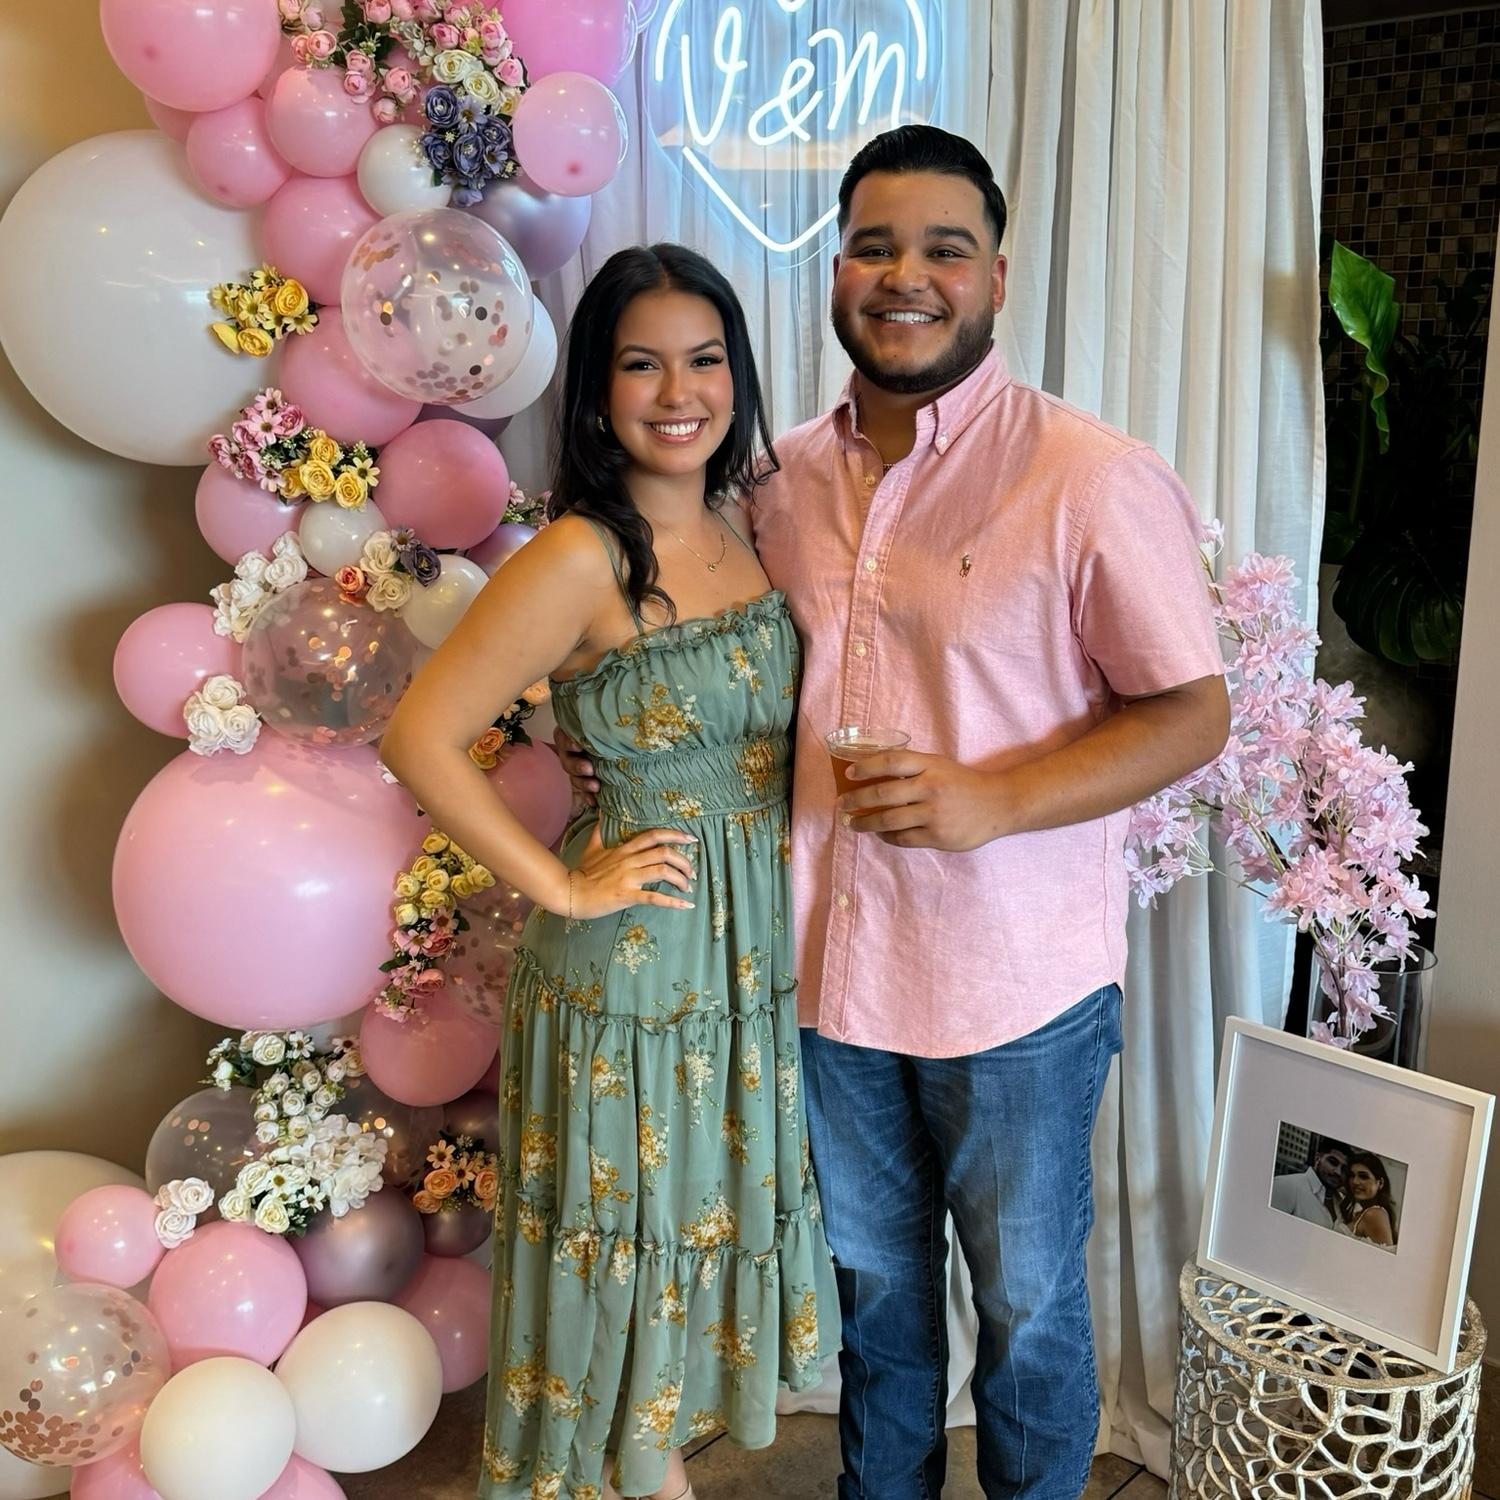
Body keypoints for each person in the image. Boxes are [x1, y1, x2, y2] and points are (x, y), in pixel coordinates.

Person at [565, 126, 1229, 1499]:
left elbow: (1189, 712)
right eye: (874, 246)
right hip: (829, 975)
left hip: (1017, 989)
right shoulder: (776, 484)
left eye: (944, 249)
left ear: (997, 277)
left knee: (1029, 1309)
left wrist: (998, 796)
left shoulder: (1085, 476)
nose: (905, 275)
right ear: (837, 271)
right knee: (874, 1306)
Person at [381, 243, 838, 1500]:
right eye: (643, 365)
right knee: (625, 1265)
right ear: (596, 390)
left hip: (740, 967)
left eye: (704, 360)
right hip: (632, 976)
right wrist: (564, 887)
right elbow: (421, 736)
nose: (678, 392)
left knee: (682, 1269)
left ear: (737, 375)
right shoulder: (581, 556)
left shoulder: (750, 526)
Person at [1271, 1137, 1350, 1227]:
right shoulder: (1286, 1185)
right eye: (1333, 1162)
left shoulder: (1343, 1203)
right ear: (1317, 1158)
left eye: (1344, 1169)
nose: (1338, 1172)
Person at [1334, 1150, 1398, 1251]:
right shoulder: (1361, 1212)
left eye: (1363, 1176)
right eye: (1352, 1175)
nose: (1355, 1182)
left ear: (1380, 1183)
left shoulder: (1374, 1214)